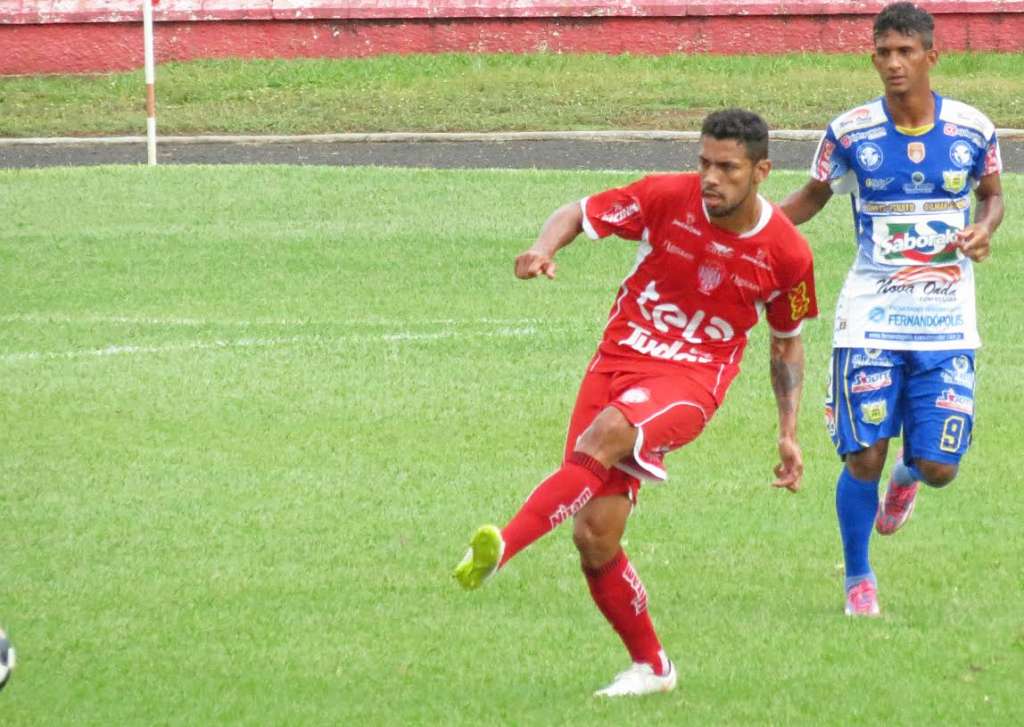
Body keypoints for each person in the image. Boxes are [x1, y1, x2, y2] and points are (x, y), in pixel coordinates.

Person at [452, 109, 819, 697]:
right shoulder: (664, 197)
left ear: (762, 171)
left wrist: (788, 430)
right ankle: (653, 668)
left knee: (605, 436)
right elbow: (577, 212)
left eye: (727, 168)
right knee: (595, 536)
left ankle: (504, 546)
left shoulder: (787, 253)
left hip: (691, 382)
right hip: (616, 362)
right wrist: (543, 247)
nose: (710, 178)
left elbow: (787, 343)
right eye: (704, 163)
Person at [780, 2, 1004, 617]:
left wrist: (984, 228)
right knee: (862, 455)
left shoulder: (973, 130)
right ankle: (859, 579)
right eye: (883, 51)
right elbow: (813, 197)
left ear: (933, 56)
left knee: (937, 467)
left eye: (906, 51)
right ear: (873, 56)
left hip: (946, 320)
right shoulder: (851, 133)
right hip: (871, 315)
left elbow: (993, 197)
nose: (893, 63)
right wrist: (754, 229)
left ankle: (907, 480)